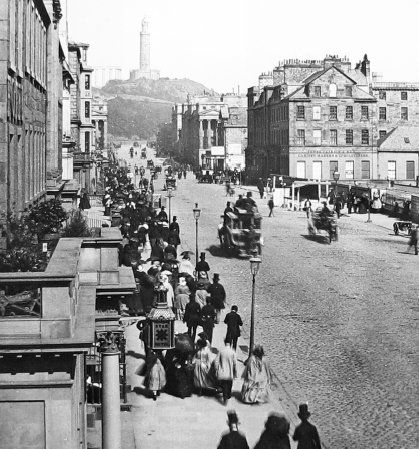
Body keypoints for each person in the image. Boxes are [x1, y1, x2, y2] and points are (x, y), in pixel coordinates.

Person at [214, 339, 237, 405]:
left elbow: (216, 361)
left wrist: (216, 369)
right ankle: (228, 395)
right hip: (230, 372)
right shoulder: (233, 352)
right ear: (231, 343)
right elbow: (235, 364)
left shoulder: (221, 351)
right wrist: (235, 373)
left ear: (224, 343)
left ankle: (225, 398)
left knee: (224, 385)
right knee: (229, 384)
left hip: (222, 371)